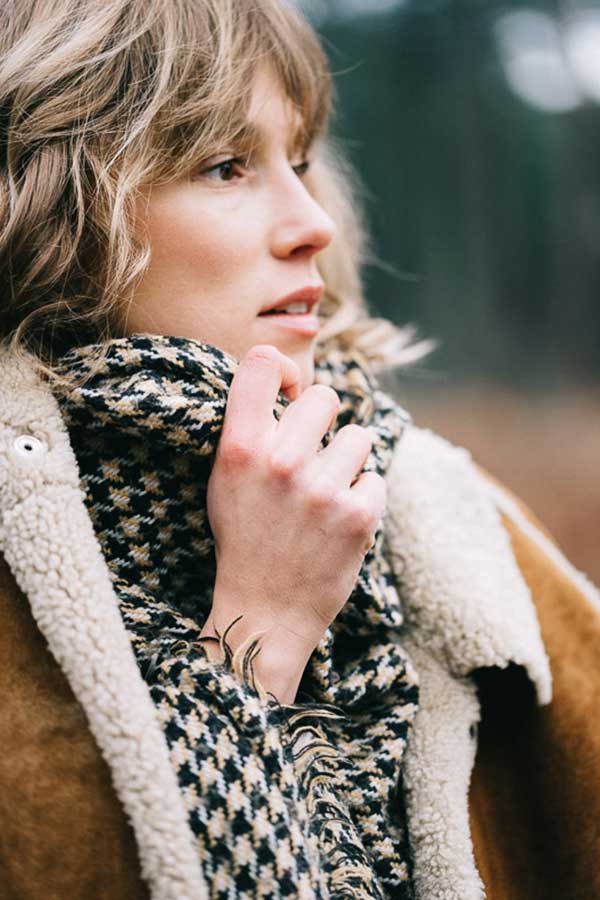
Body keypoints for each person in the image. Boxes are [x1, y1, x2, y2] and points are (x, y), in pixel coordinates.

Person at [0, 2, 598, 899]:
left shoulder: (455, 525)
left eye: (304, 157)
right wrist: (261, 629)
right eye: (225, 165)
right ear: (53, 199)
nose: (312, 220)